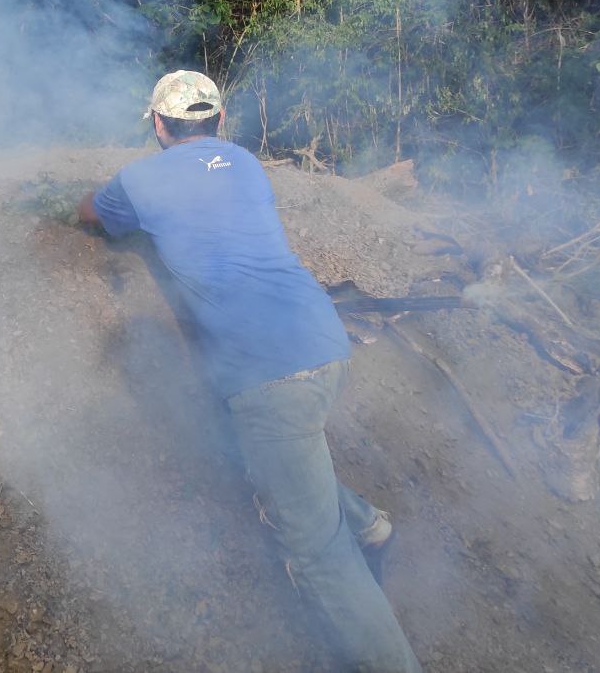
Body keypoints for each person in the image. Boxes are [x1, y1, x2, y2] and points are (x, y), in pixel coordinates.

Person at [78, 70, 422, 673]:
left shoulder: (140, 179)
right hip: (324, 342)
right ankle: (370, 528)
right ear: (219, 122)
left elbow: (94, 216)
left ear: (157, 125)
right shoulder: (243, 162)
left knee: (316, 554)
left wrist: (70, 204)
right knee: (279, 463)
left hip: (271, 375)